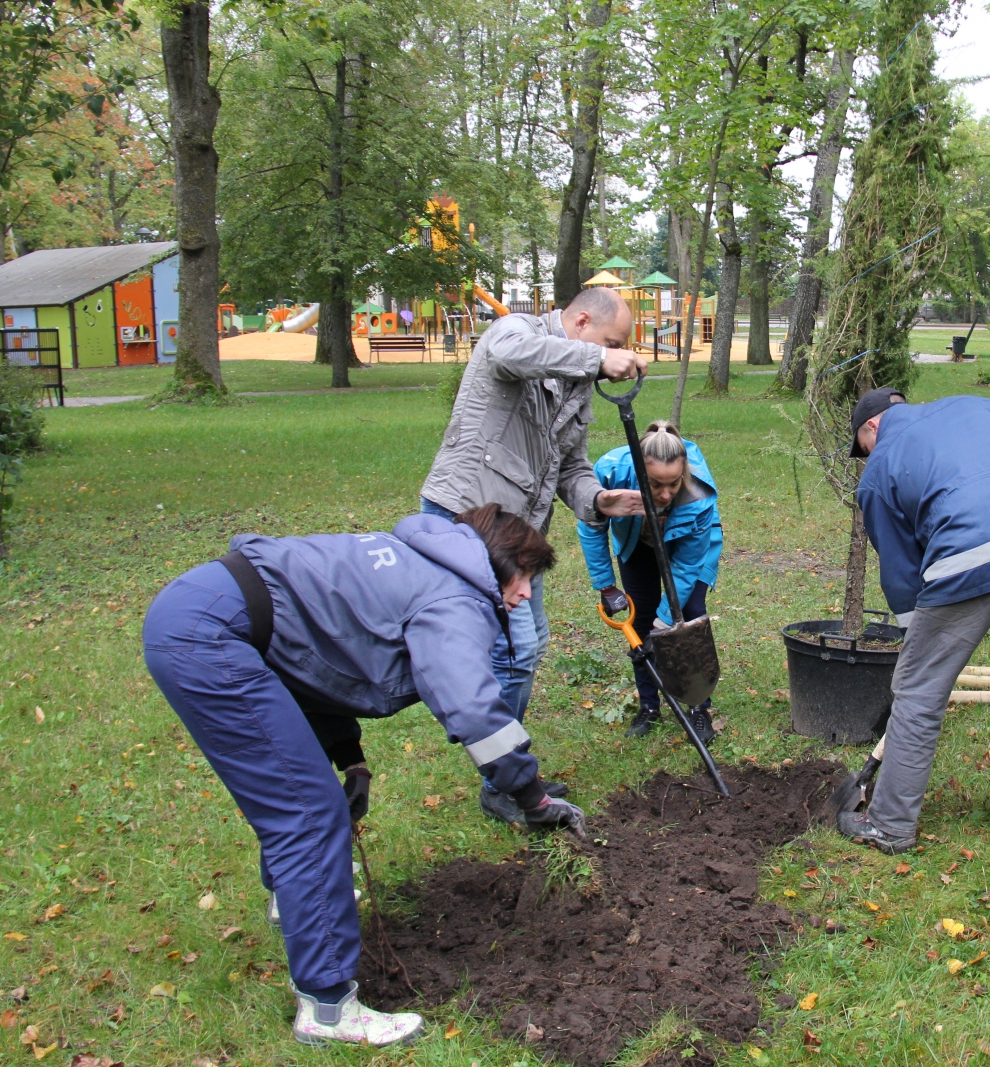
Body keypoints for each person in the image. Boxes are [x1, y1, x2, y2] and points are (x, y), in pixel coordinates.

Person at [142, 506, 585, 1048]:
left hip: (204, 611)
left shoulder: (421, 561)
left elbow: (312, 655)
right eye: (526, 580)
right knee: (307, 817)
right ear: (502, 562)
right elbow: (474, 713)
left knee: (300, 798)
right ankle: (328, 1009)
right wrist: (532, 796)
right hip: (210, 639)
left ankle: (296, 900)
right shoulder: (454, 598)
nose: (523, 596)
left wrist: (349, 757)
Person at [419, 287, 647, 824]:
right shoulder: (516, 333)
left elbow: (571, 464)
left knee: (527, 645)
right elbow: (509, 356)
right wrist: (599, 359)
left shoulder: (578, 385)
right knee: (513, 650)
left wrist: (598, 499)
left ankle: (504, 770)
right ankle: (504, 780)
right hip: (466, 518)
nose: (613, 360)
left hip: (517, 532)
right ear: (582, 320)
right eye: (611, 343)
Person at [838, 388, 990, 854]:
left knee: (919, 695)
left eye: (861, 448)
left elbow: (902, 574)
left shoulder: (878, 472)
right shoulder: (978, 406)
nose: (865, 457)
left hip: (966, 559)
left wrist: (915, 642)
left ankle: (888, 825)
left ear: (871, 428)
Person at [578, 420, 723, 740]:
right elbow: (592, 526)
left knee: (690, 613)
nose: (665, 493)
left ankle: (699, 708)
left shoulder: (697, 496)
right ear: (639, 470)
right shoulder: (612, 472)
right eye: (656, 483)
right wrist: (605, 584)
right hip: (637, 541)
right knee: (641, 616)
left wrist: (666, 620)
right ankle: (649, 706)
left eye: (673, 483)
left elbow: (686, 568)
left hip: (689, 544)